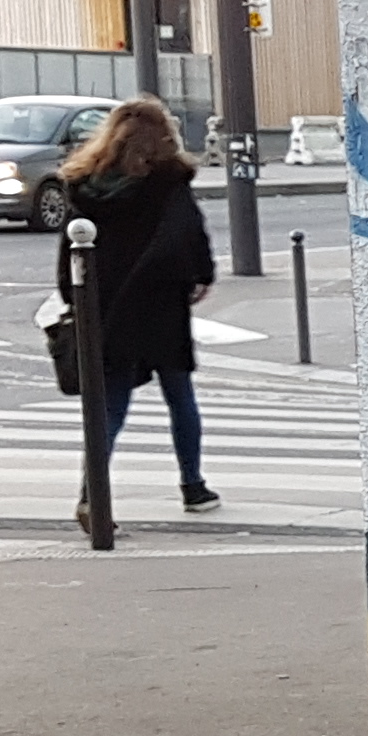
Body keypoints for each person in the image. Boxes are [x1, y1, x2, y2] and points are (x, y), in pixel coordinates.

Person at [64, 96, 222, 517]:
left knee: (110, 405)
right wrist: (201, 275)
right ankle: (193, 485)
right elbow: (189, 234)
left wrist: (73, 298)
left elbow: (69, 249)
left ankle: (91, 494)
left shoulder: (86, 186)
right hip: (161, 300)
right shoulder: (169, 182)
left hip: (107, 305)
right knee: (179, 395)